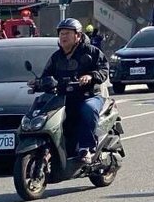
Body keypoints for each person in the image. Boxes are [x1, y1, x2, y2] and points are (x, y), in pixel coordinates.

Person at [39, 18, 108, 163]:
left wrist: (91, 76)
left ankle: (86, 148)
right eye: (61, 33)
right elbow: (46, 75)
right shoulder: (56, 57)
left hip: (90, 96)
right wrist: (39, 82)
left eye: (67, 33)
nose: (63, 36)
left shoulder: (92, 52)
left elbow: (103, 70)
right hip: (65, 97)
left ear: (78, 35)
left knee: (88, 109)